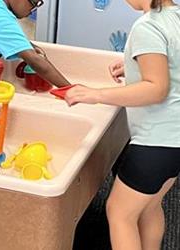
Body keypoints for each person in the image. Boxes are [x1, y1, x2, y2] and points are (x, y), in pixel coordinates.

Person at [65, 1, 180, 249]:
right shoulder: (175, 17)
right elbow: (172, 69)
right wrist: (134, 66)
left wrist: (95, 94)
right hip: (175, 142)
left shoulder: (147, 26)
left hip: (155, 142)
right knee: (149, 207)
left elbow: (157, 88)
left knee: (119, 213)